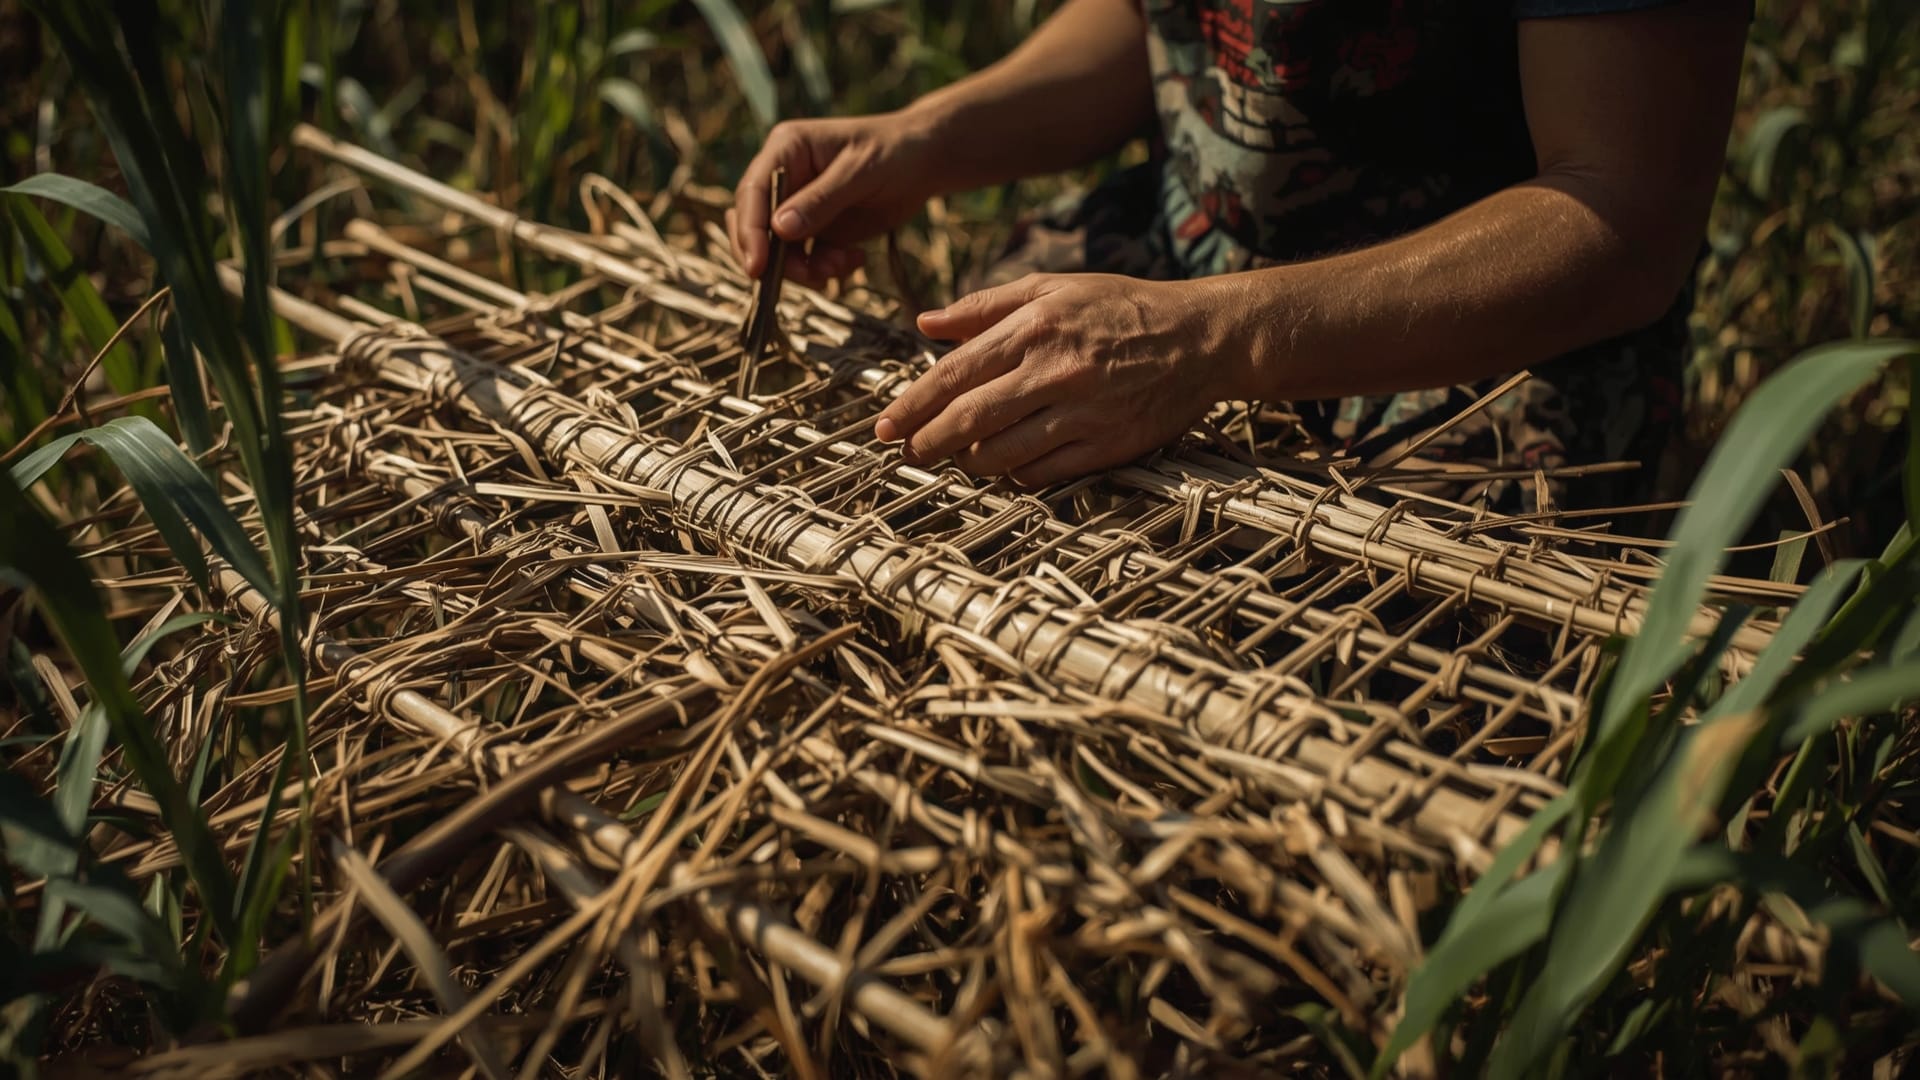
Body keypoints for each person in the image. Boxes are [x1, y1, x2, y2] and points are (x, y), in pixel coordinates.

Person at [727, 0, 1749, 512]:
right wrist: (923, 140)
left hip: (1468, 356)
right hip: (1178, 266)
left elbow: (1624, 217)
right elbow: (1148, 26)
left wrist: (1211, 336)